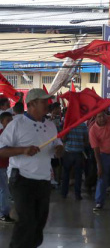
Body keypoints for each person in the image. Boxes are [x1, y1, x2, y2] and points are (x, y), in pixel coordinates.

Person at [0, 88, 64, 248]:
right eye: (43, 101)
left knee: (39, 223)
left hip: (43, 180)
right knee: (27, 221)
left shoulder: (50, 125)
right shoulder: (17, 124)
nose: (47, 104)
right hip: (21, 179)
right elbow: (1, 150)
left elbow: (58, 146)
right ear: (31, 104)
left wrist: (59, 150)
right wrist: (23, 150)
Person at [89, 111, 110, 212]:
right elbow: (95, 149)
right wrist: (99, 165)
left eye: (103, 115)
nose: (102, 118)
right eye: (99, 116)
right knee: (102, 179)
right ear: (95, 117)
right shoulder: (93, 130)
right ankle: (99, 202)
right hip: (103, 156)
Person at [61, 116, 88, 200]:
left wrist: (67, 128)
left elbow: (63, 139)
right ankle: (77, 194)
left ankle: (64, 193)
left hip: (68, 153)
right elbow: (86, 141)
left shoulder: (67, 125)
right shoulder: (83, 125)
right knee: (78, 175)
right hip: (79, 153)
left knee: (66, 174)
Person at [0, 112, 14, 223]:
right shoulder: (2, 134)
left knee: (4, 190)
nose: (10, 123)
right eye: (7, 120)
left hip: (5, 166)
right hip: (1, 166)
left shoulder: (12, 135)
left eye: (11, 120)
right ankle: (3, 213)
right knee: (4, 190)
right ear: (2, 122)